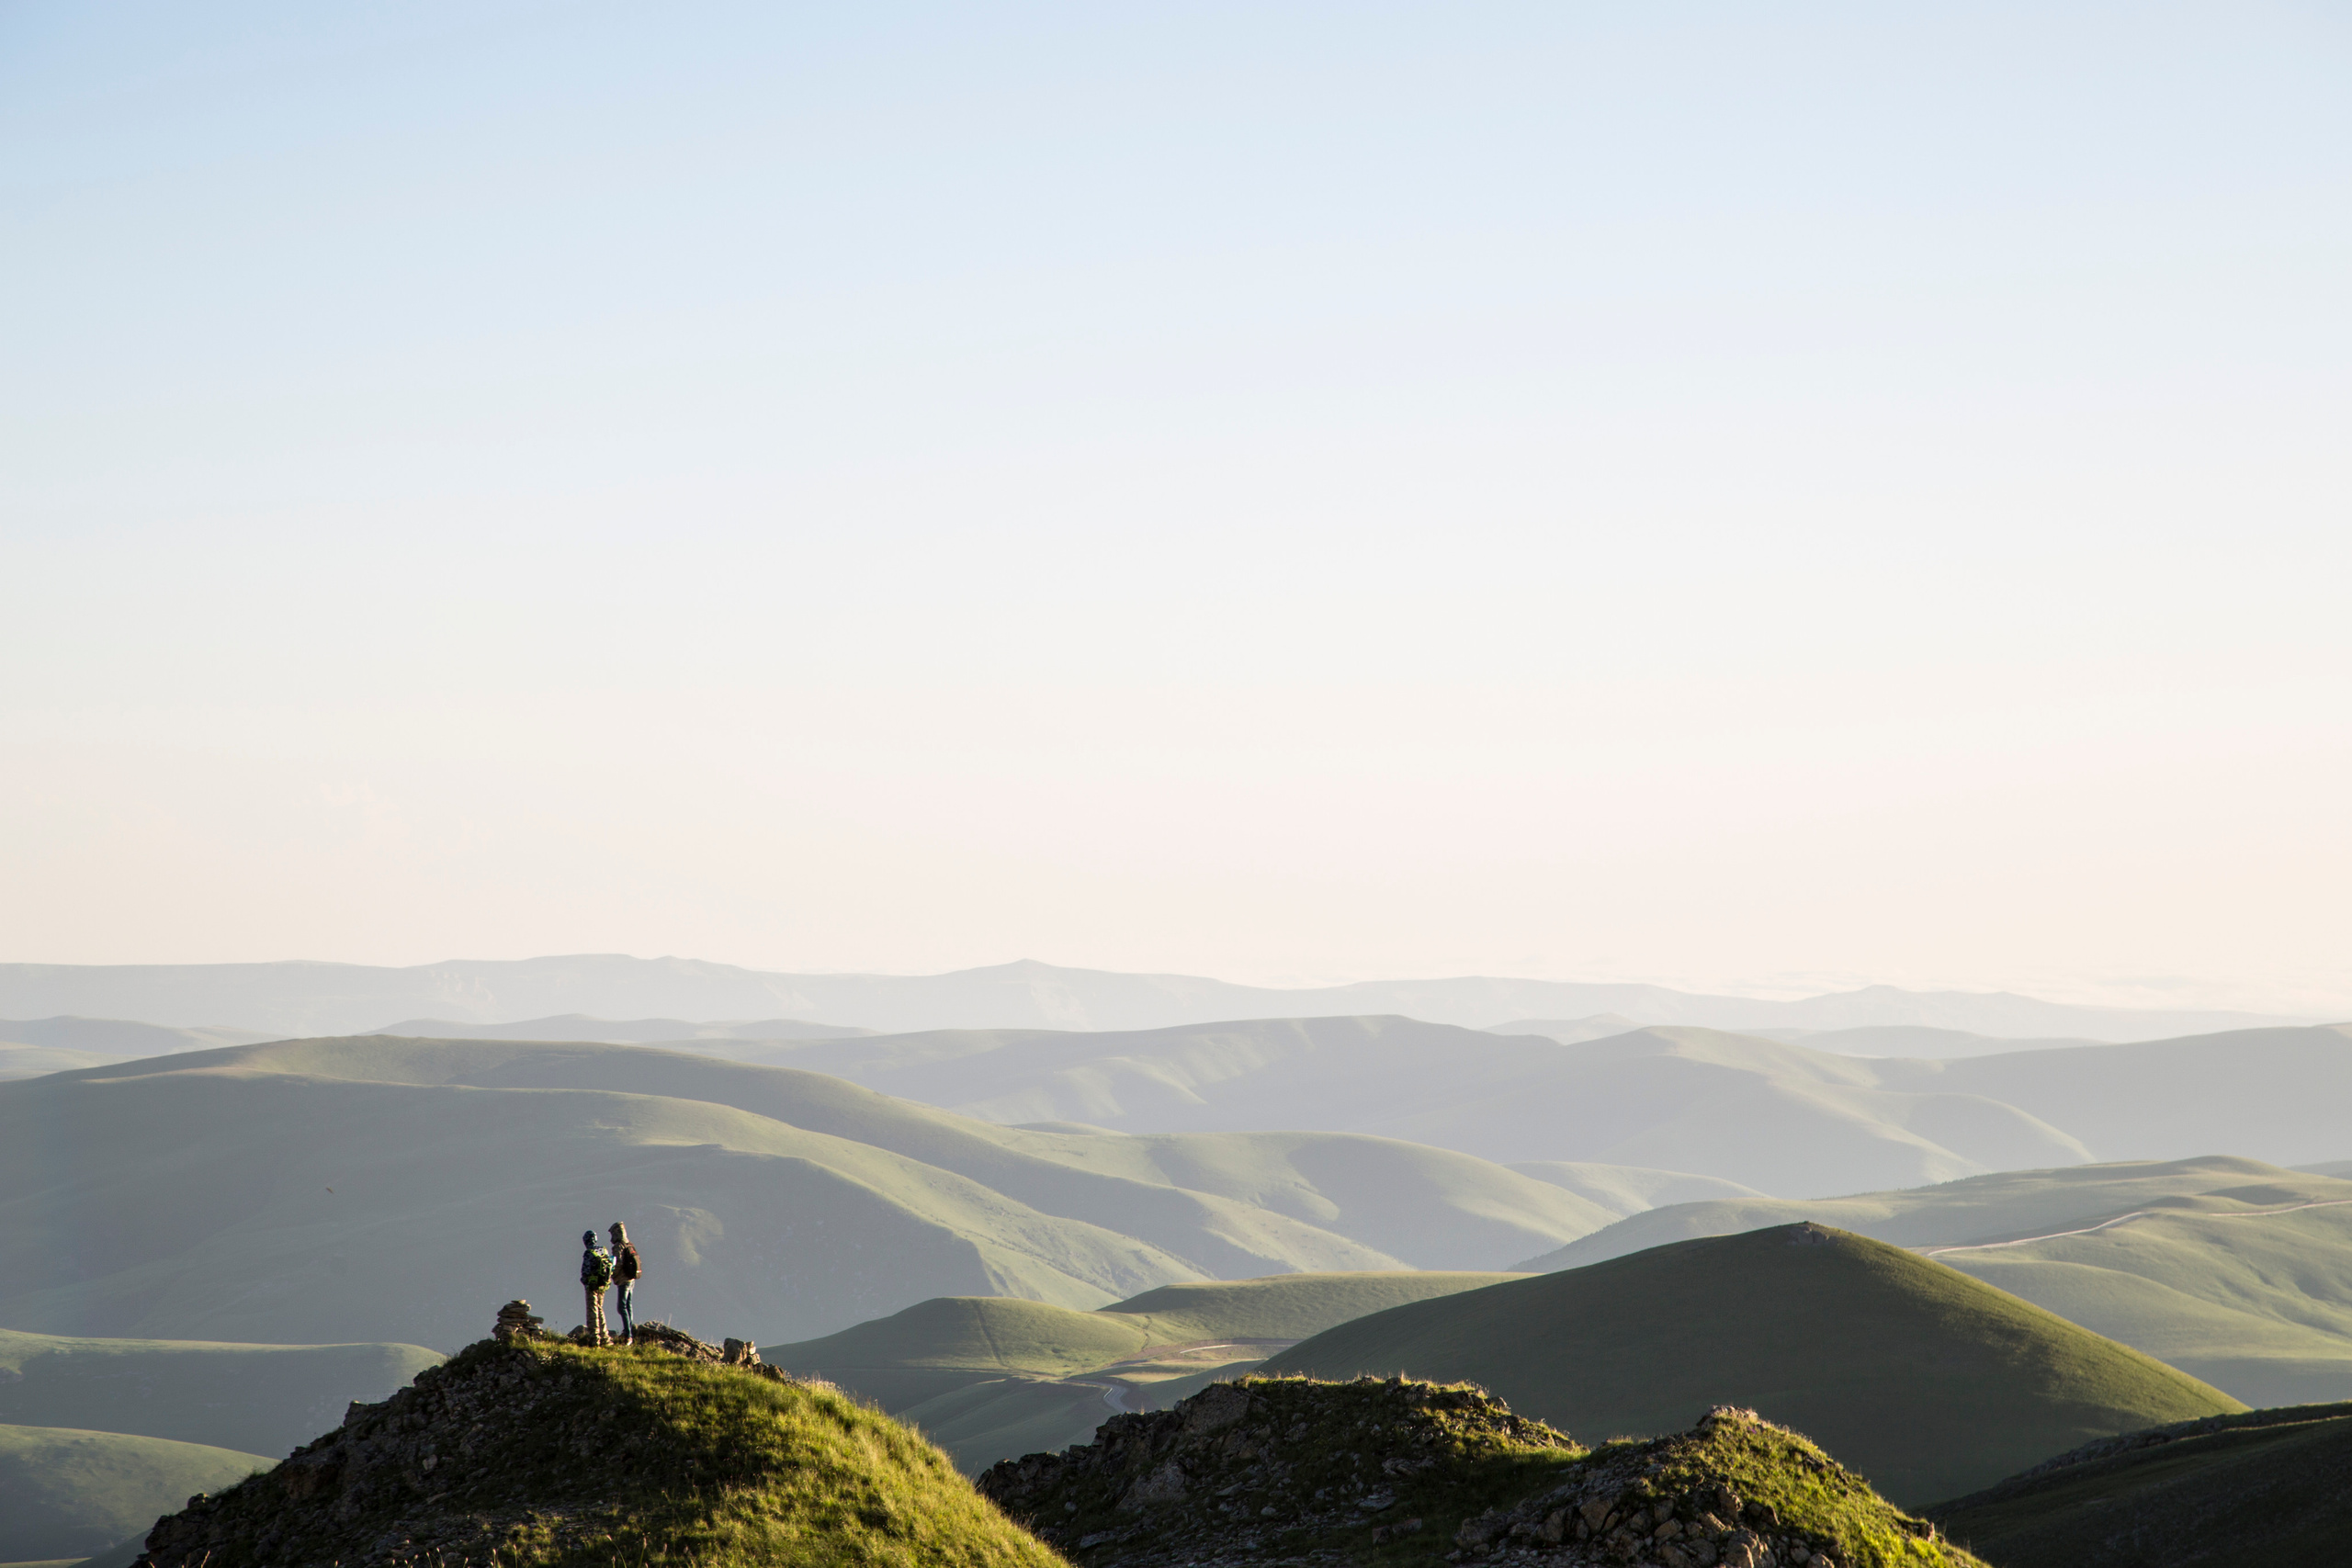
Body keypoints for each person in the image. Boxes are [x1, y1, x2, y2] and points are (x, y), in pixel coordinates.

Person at [579, 1229, 615, 1346]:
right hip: (603, 1285)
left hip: (592, 1286)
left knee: (592, 1310)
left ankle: (595, 1338)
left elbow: (586, 1271)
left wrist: (584, 1281)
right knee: (600, 1309)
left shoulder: (589, 1253)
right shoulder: (603, 1250)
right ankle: (605, 1337)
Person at [608, 1221, 642, 1341]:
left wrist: (611, 1275)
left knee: (621, 1307)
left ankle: (628, 1334)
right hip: (632, 1279)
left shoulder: (619, 1246)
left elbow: (617, 1263)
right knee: (628, 1305)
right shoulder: (629, 1244)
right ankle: (629, 1329)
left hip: (623, 1280)